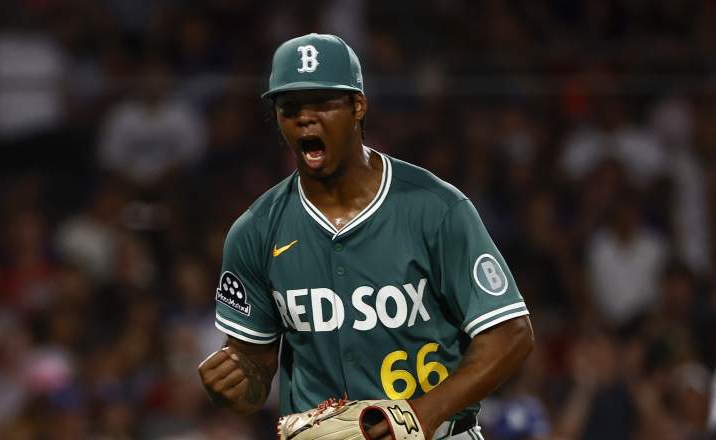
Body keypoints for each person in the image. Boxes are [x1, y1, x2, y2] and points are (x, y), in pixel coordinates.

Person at [198, 33, 534, 440]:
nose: (305, 117)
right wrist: (233, 385)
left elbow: (511, 334)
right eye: (290, 107)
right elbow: (254, 375)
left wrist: (422, 414)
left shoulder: (434, 208)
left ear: (358, 106)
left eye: (322, 103)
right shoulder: (255, 231)